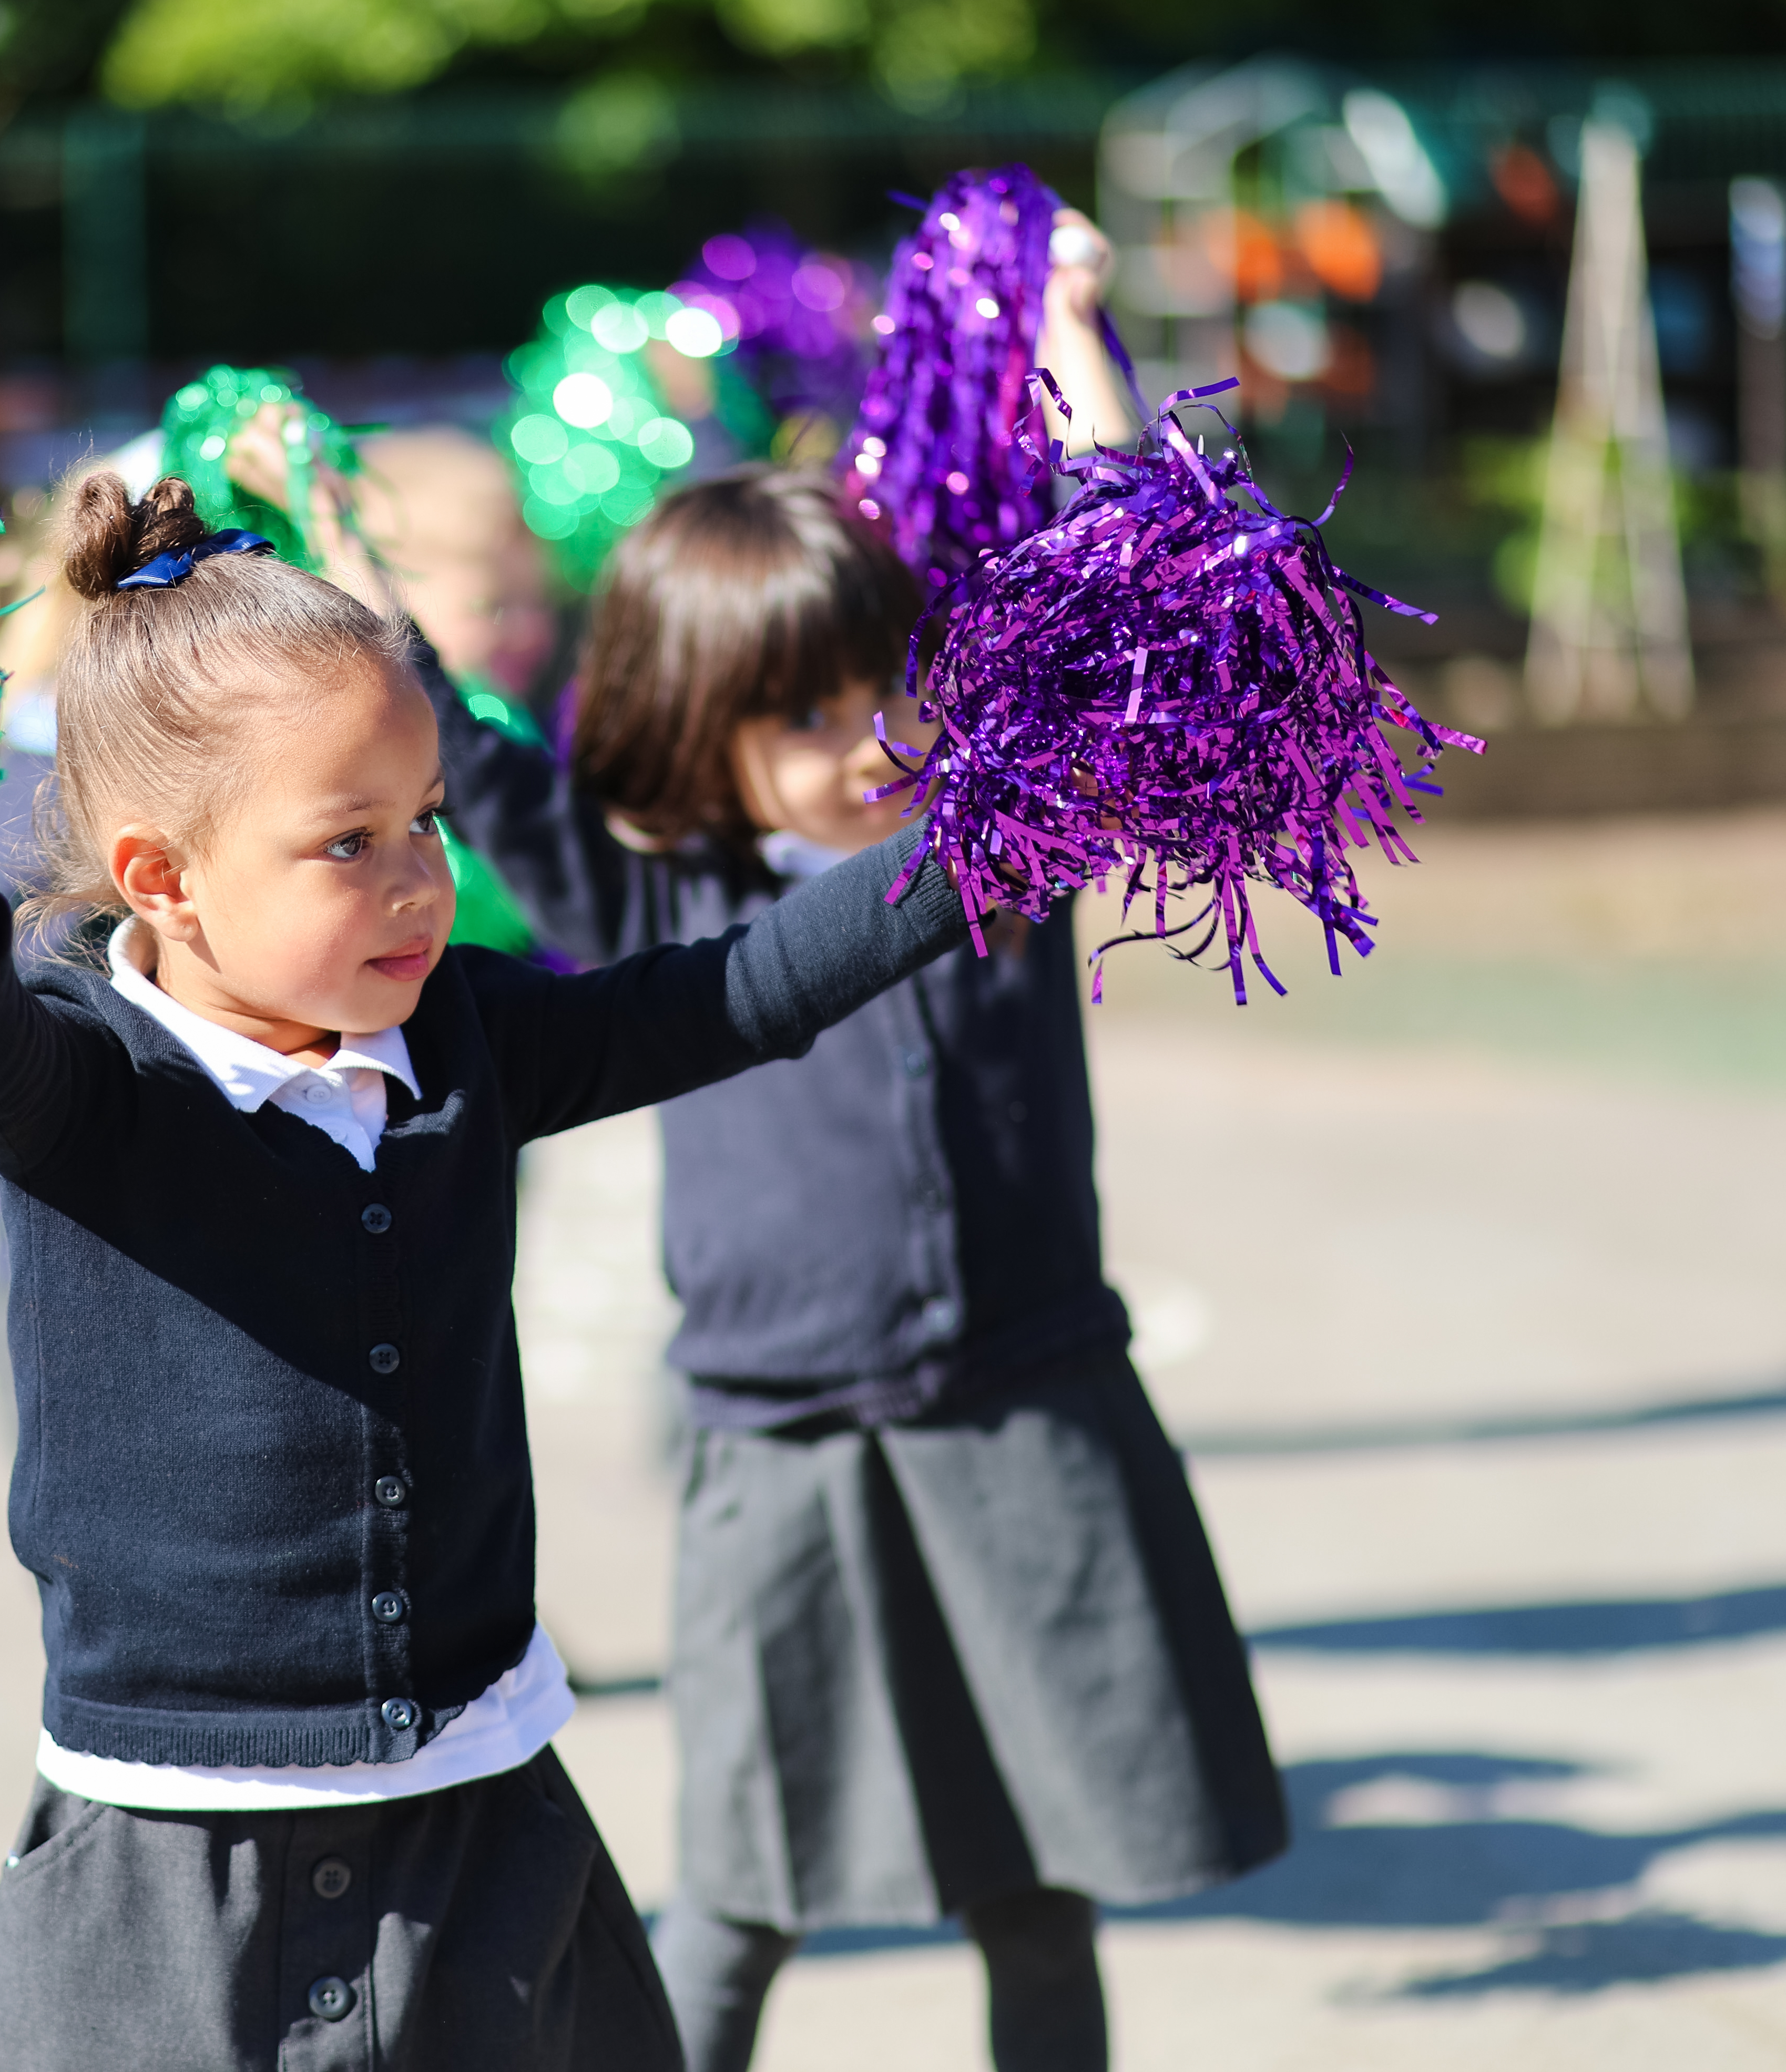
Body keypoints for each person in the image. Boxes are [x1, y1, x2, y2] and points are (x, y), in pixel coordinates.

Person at [0, 467, 981, 2071]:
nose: (419, 877)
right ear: (163, 880)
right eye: (349, 841)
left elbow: (737, 994)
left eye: (426, 819)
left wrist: (990, 843)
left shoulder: (463, 1038)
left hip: (477, 1805)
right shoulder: (92, 1078)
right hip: (182, 1836)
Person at [405, 456, 1290, 2072]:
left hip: (1027, 1410)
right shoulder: (655, 896)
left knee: (1037, 1886)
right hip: (783, 1442)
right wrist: (339, 569)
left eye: (891, 691)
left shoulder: (1002, 849)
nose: (872, 743)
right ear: (697, 725)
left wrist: (1076, 329)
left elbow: (1157, 588)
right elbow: (477, 762)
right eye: (805, 719)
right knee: (743, 1896)